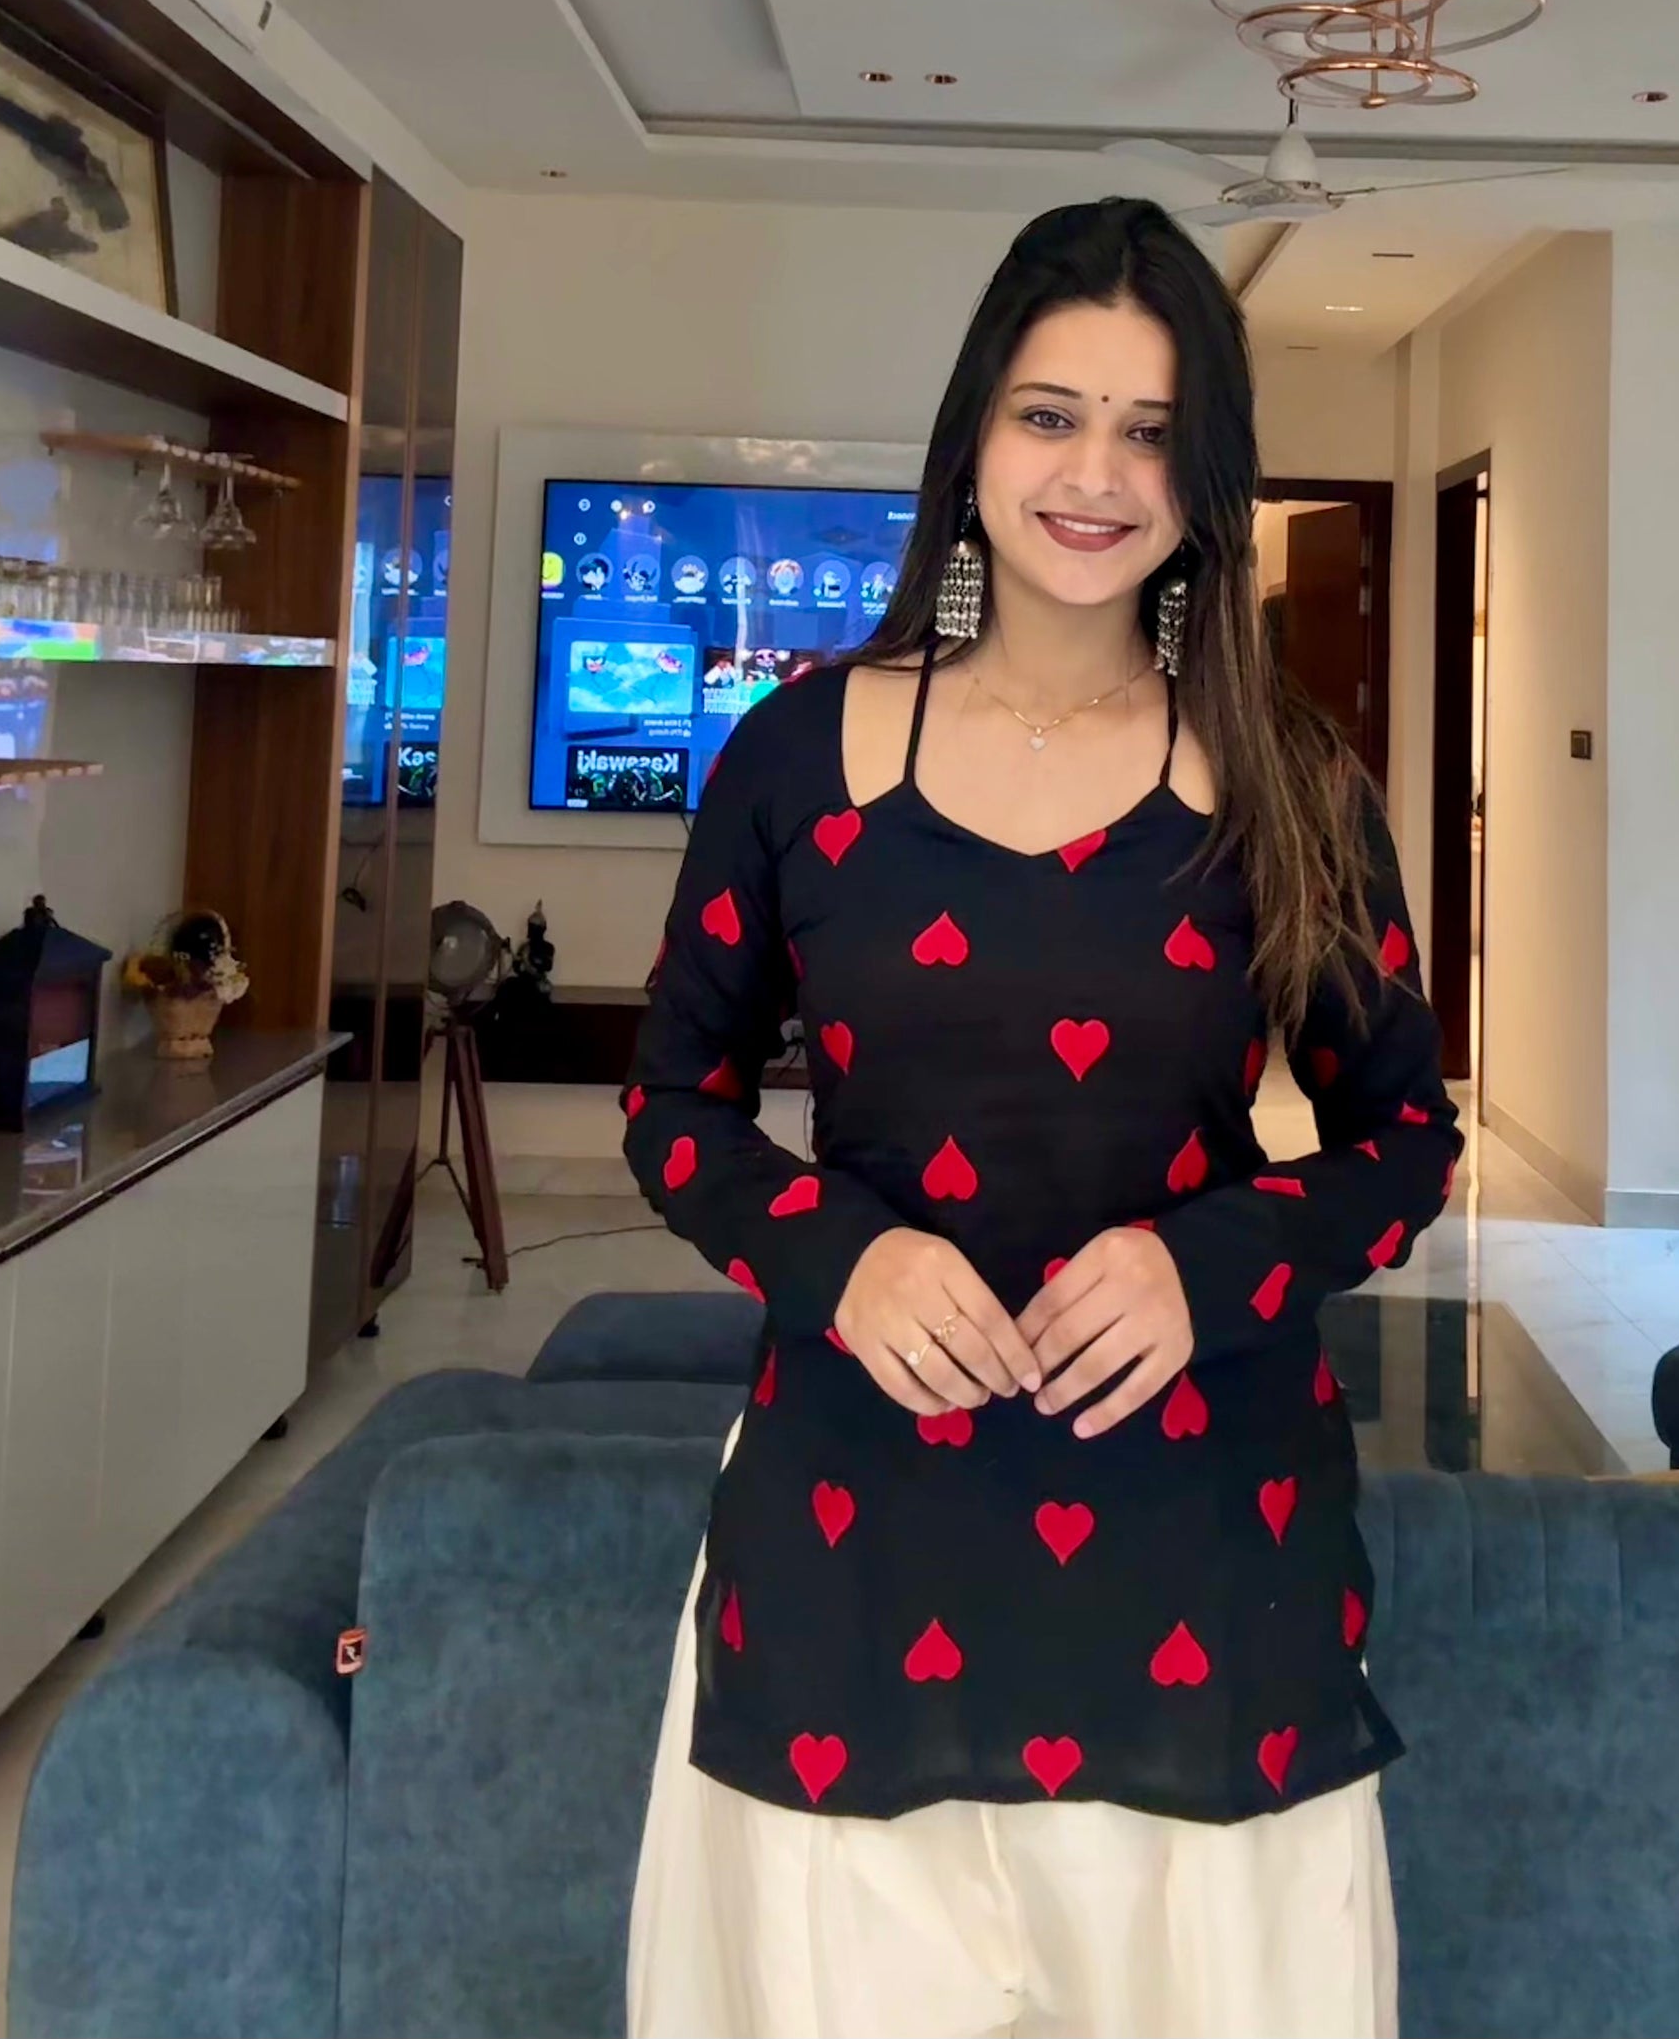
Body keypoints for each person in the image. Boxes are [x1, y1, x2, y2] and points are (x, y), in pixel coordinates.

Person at [620, 198, 1463, 2039]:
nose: (1095, 475)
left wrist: (1208, 1261)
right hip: (852, 1533)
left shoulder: (1290, 779)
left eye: (1151, 431)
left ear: (1205, 474)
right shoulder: (797, 753)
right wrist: (834, 1254)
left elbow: (1406, 1140)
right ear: (973, 434)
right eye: (1049, 413)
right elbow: (673, 1106)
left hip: (1204, 1542)